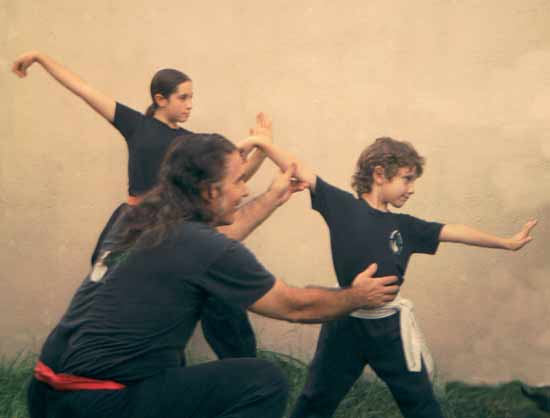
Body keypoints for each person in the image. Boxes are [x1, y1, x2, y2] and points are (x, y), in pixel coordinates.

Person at [27, 133, 400, 418]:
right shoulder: (200, 246)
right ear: (208, 191)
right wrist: (355, 295)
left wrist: (272, 197)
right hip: (101, 402)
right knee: (263, 381)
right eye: (238, 181)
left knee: (172, 367)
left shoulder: (137, 219)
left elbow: (209, 246)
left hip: (45, 392)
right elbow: (294, 306)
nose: (245, 189)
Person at [239, 135, 538, 418]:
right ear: (380, 174)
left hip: (388, 330)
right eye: (407, 179)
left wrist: (505, 242)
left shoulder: (405, 225)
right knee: (316, 397)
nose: (412, 188)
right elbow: (298, 167)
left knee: (420, 401)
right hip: (344, 322)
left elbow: (454, 231)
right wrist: (261, 142)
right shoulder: (343, 207)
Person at [12, 51, 279, 359]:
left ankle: (240, 367)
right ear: (160, 98)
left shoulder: (192, 144)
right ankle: (79, 363)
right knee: (106, 295)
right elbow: (83, 88)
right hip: (134, 223)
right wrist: (41, 58)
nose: (190, 104)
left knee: (218, 301)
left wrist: (261, 146)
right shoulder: (136, 125)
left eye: (192, 97)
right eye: (183, 97)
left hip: (178, 228)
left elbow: (230, 180)